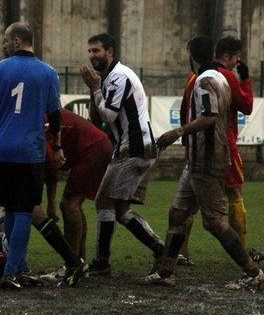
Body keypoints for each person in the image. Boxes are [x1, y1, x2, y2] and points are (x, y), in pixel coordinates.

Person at [0, 22, 87, 289]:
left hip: (2, 151)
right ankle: (14, 271)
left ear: (18, 41)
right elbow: (55, 115)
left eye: (7, 41)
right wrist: (56, 146)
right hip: (30, 153)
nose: (5, 45)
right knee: (23, 211)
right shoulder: (48, 72)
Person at [146, 36, 263, 290]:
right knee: (177, 213)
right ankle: (167, 271)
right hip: (200, 159)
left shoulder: (204, 80)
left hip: (208, 158)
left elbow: (209, 118)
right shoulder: (221, 78)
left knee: (213, 221)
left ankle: (252, 272)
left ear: (192, 57)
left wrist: (176, 133)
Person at [80, 33, 164, 275]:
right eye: (90, 51)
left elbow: (109, 116)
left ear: (110, 52)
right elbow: (97, 121)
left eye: (97, 50)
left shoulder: (118, 76)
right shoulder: (107, 79)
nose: (92, 55)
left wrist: (96, 89)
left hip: (134, 148)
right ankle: (161, 249)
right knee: (120, 210)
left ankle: (103, 262)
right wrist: (92, 90)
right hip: (133, 147)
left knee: (104, 201)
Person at [178, 35, 253, 264]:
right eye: (236, 59)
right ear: (226, 57)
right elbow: (247, 106)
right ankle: (243, 253)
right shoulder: (225, 76)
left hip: (195, 147)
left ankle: (181, 252)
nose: (236, 64)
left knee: (187, 202)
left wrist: (185, 141)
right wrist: (246, 79)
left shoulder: (193, 78)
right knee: (234, 195)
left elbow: (184, 110)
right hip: (222, 146)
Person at [44, 108, 113, 263]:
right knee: (74, 205)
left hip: (94, 149)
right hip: (96, 146)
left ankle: (72, 264)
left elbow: (50, 165)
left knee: (69, 205)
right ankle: (80, 262)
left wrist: (50, 204)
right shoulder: (42, 112)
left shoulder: (40, 119)